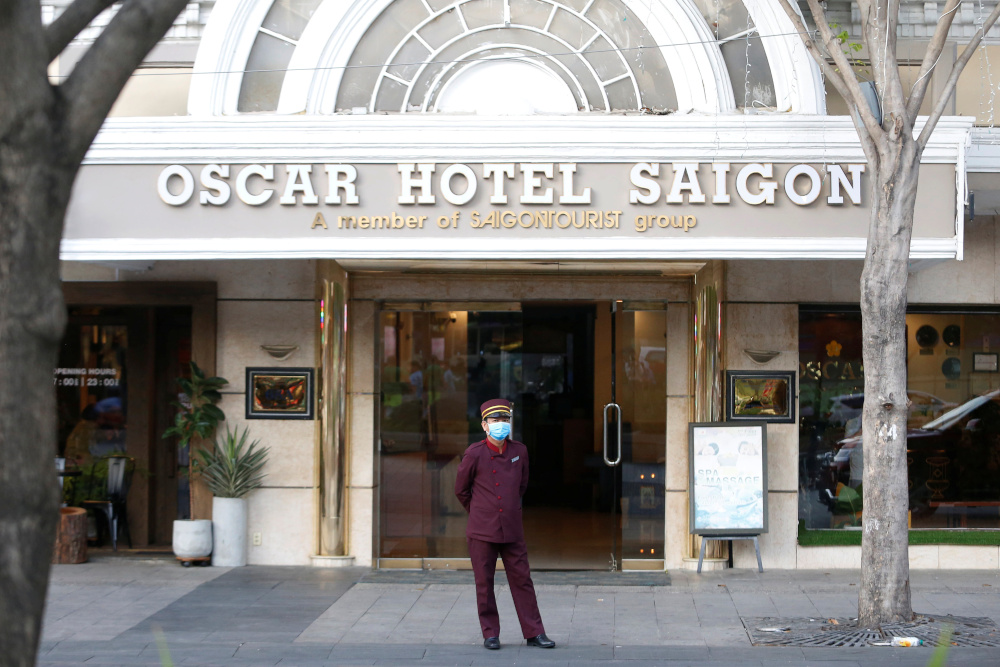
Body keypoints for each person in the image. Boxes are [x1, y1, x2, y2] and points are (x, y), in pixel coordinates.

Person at [455, 399, 555, 651]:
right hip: (482, 530)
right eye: (495, 421)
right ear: (484, 425)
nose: (501, 425)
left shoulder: (519, 451)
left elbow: (522, 486)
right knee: (484, 583)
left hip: (512, 528)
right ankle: (490, 634)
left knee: (522, 580)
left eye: (504, 420)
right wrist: (480, 512)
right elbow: (461, 490)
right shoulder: (474, 453)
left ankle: (535, 632)